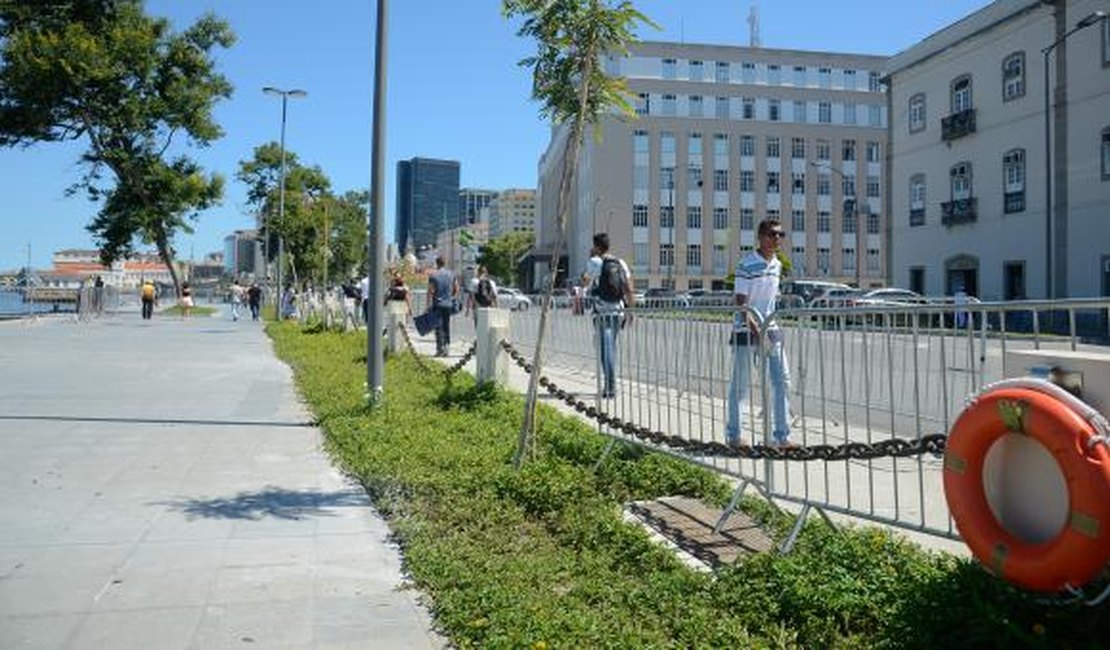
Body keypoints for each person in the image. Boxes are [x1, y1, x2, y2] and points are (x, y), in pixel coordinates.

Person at [726, 218, 791, 447]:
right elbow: (741, 303)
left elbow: (771, 300)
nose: (777, 239)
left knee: (782, 380)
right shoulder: (746, 265)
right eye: (773, 234)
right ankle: (734, 435)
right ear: (761, 237)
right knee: (740, 385)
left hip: (770, 329)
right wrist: (756, 329)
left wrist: (767, 329)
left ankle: (782, 437)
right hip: (746, 329)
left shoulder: (777, 265)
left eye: (780, 234)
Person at [583, 233, 634, 399]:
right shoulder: (620, 263)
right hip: (618, 311)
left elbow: (585, 281)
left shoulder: (595, 261)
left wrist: (590, 258)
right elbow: (628, 288)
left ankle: (610, 387)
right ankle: (610, 386)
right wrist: (630, 311)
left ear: (597, 246)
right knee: (611, 347)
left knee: (606, 350)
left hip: (601, 312)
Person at [426, 256, 459, 357]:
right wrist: (452, 298)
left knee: (438, 327)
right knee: (446, 326)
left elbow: (430, 291)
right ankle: (447, 348)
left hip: (437, 304)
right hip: (448, 304)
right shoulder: (451, 274)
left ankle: (439, 349)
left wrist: (428, 305)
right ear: (445, 263)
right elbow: (456, 288)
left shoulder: (433, 275)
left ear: (437, 264)